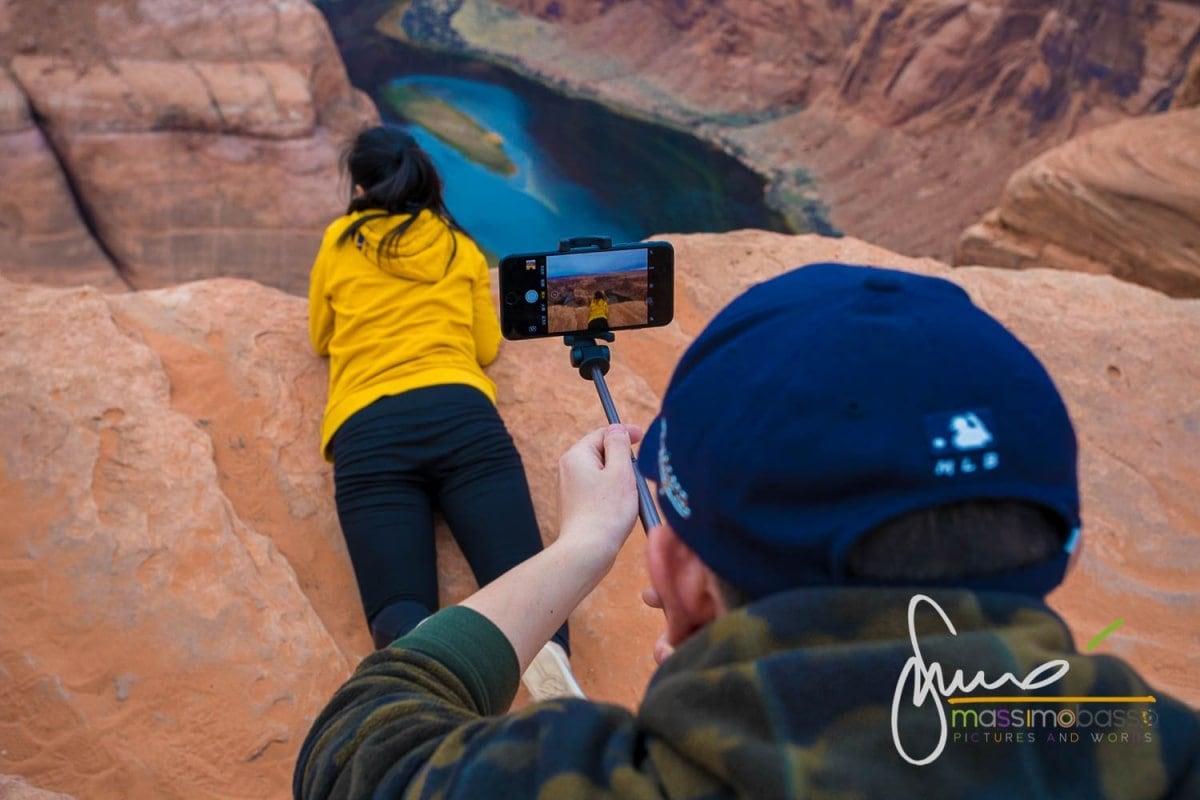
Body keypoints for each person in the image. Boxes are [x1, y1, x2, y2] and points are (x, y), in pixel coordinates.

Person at [295, 263, 1199, 799]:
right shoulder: (1164, 754)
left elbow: (362, 742)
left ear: (680, 580)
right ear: (1058, 548)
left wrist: (579, 547)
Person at [307, 125, 580, 700]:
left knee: (398, 607)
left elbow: (320, 336)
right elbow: (484, 347)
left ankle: (426, 673)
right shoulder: (458, 245)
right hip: (463, 421)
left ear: (360, 186)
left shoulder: (340, 240)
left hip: (370, 433)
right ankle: (548, 657)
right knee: (525, 578)